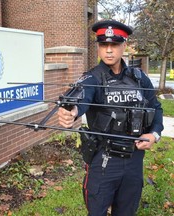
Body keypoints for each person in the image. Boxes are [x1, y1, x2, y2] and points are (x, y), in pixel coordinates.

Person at [57, 19, 164, 216]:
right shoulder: (91, 79)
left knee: (126, 211)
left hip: (134, 160)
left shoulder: (139, 78)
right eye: (103, 45)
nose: (108, 50)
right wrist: (70, 112)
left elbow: (156, 108)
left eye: (114, 45)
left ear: (124, 45)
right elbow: (81, 99)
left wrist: (154, 134)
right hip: (104, 162)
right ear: (98, 47)